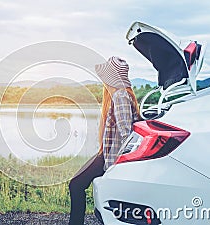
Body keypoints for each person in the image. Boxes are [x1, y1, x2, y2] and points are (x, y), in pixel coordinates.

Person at [68, 56, 140, 225]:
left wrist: (117, 168)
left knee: (76, 185)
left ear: (110, 78)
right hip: (107, 154)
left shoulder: (120, 96)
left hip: (114, 158)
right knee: (76, 185)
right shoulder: (119, 95)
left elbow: (126, 135)